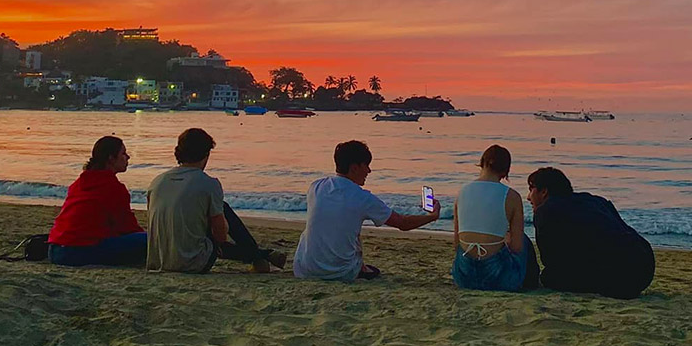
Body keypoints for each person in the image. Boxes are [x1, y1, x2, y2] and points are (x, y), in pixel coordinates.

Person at [293, 140, 440, 281]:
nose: (369, 170)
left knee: (346, 226)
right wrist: (432, 216)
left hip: (304, 268)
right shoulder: (363, 198)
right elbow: (403, 223)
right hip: (339, 272)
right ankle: (359, 267)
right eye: (366, 165)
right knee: (367, 260)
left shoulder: (316, 187)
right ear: (354, 168)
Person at [145, 127, 287, 273]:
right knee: (222, 208)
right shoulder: (209, 183)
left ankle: (263, 255)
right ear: (206, 154)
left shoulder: (157, 181)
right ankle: (259, 255)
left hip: (158, 260)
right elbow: (220, 237)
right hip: (191, 263)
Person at [526, 167, 654, 298]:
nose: (528, 197)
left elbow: (550, 259)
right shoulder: (597, 201)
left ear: (544, 192)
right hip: (645, 266)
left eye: (531, 190)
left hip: (620, 275)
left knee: (550, 277)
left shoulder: (546, 211)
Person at [48, 136, 148, 266]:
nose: (127, 157)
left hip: (54, 250)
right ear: (111, 159)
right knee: (148, 240)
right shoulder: (113, 187)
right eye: (123, 153)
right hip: (77, 251)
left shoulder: (79, 183)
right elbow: (127, 226)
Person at [451, 144, 539, 291]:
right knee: (522, 239)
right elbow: (517, 248)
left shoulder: (462, 192)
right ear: (505, 171)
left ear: (483, 162)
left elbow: (456, 243)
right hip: (499, 279)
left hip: (464, 277)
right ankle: (530, 283)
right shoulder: (512, 196)